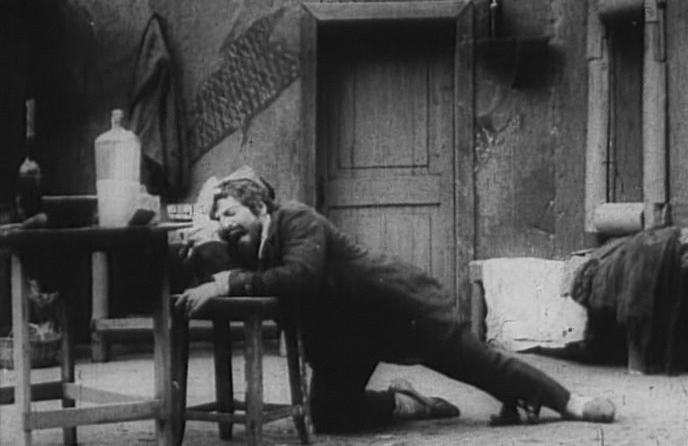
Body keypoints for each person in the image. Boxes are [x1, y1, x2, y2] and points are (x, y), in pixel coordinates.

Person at [175, 166, 616, 433]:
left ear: (259, 208)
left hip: (394, 308)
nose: (226, 224)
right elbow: (226, 275)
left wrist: (231, 281)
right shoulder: (245, 243)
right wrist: (204, 244)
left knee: (478, 363)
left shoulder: (295, 218)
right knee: (331, 416)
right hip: (346, 337)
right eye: (220, 218)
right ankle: (407, 403)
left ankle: (571, 402)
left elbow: (300, 276)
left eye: (231, 213)